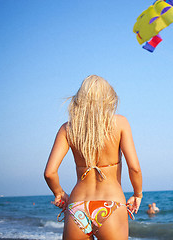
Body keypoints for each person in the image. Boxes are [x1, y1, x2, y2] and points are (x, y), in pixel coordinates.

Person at [44, 75, 143, 240]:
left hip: (77, 207)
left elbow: (49, 173)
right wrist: (137, 194)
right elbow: (135, 168)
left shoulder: (68, 129)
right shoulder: (120, 123)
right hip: (111, 204)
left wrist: (59, 193)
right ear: (108, 98)